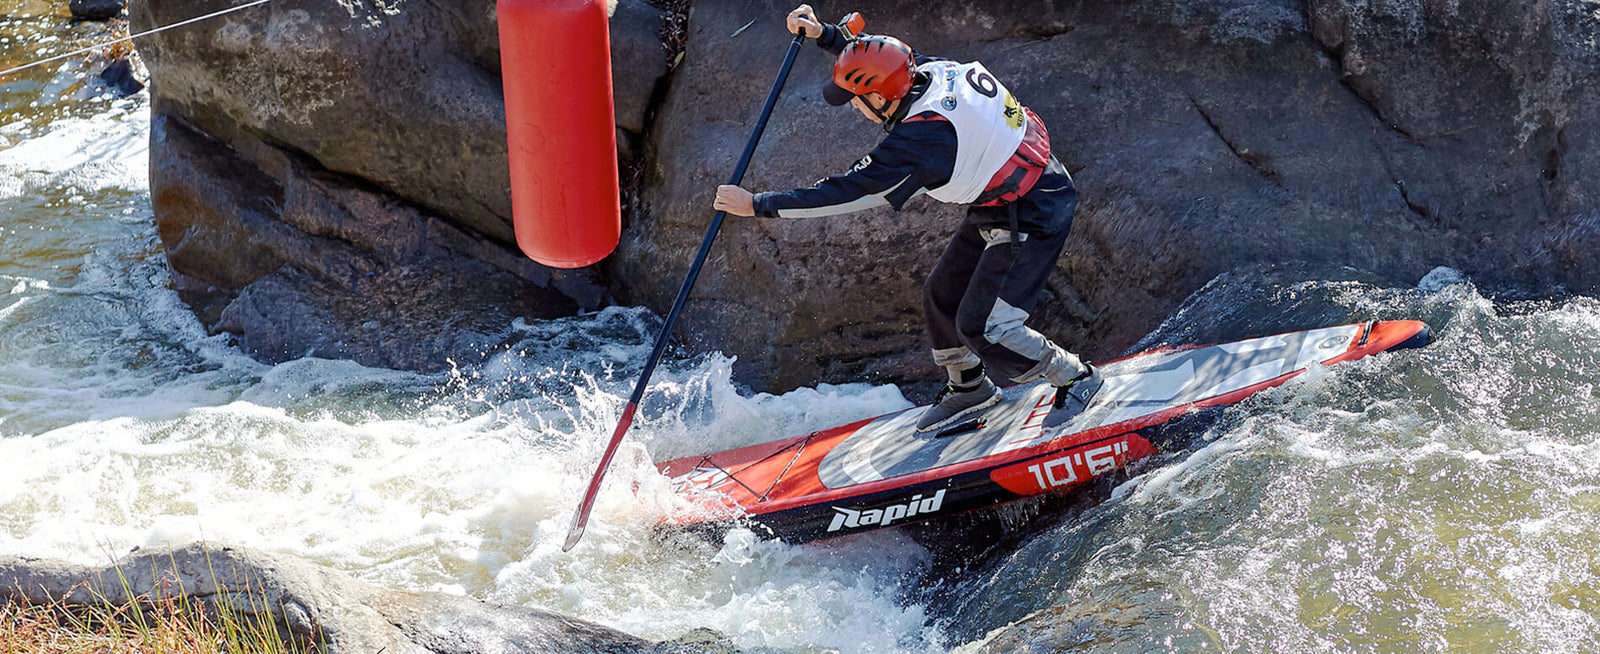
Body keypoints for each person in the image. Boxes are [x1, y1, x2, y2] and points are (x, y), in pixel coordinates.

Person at [712, 5, 1102, 432]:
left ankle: (1078, 378)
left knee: (984, 326)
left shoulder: (921, 138)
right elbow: (885, 57)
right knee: (941, 296)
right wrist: (824, 34)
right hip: (1001, 199)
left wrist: (757, 205)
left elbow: (845, 192)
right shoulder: (929, 72)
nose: (854, 109)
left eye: (856, 101)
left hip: (1034, 210)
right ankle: (970, 389)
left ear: (879, 98)